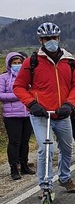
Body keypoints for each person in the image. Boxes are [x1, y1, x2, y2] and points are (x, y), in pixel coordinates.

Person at [14, 22, 75, 194]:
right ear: (40, 40)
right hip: (41, 114)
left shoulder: (70, 62)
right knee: (46, 149)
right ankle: (45, 184)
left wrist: (70, 104)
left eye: (53, 38)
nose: (50, 41)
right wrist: (32, 104)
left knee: (67, 148)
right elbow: (19, 86)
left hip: (62, 114)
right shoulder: (32, 62)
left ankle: (65, 177)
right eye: (46, 39)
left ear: (58, 38)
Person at [0, 52, 35, 180]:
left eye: (19, 62)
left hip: (26, 112)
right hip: (11, 115)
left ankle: (24, 164)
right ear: (9, 64)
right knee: (14, 141)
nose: (17, 65)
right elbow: (1, 95)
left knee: (25, 141)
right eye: (14, 63)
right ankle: (14, 167)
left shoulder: (27, 77)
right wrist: (18, 95)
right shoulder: (3, 78)